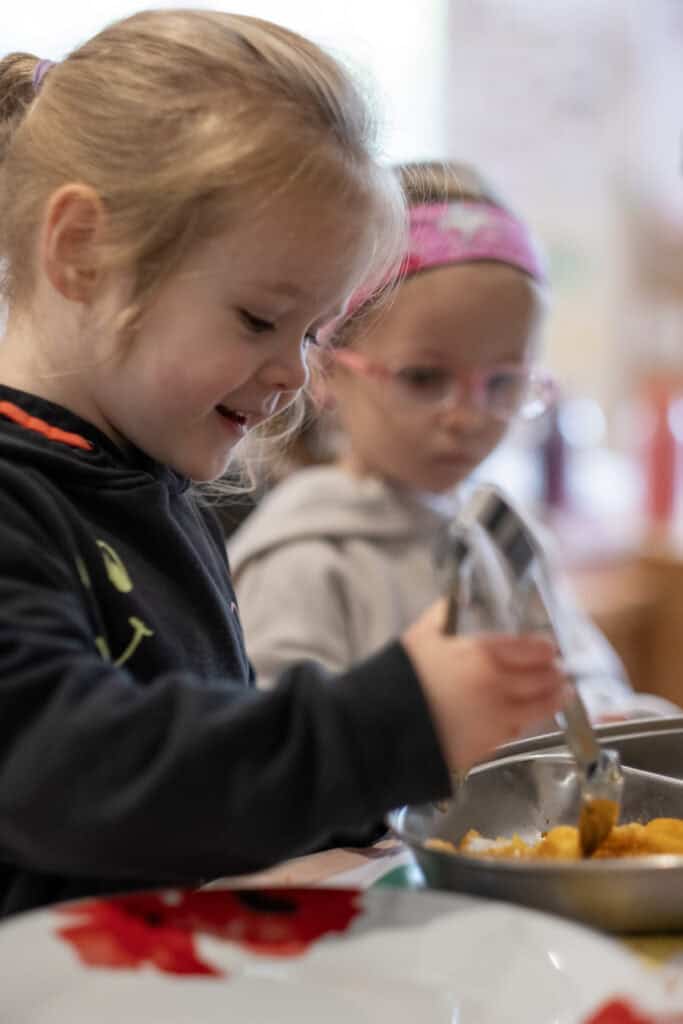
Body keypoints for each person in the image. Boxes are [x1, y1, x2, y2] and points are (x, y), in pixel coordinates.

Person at [0, 18, 566, 916]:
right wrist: (394, 718)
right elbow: (67, 778)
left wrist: (351, 812)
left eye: (310, 334)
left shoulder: (160, 493)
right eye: (260, 320)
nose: (294, 376)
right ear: (82, 250)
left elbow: (200, 797)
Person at [230, 161, 677, 724]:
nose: (468, 417)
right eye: (424, 378)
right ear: (326, 370)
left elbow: (581, 674)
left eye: (503, 383)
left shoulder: (504, 535)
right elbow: (285, 745)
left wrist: (614, 717)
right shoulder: (304, 559)